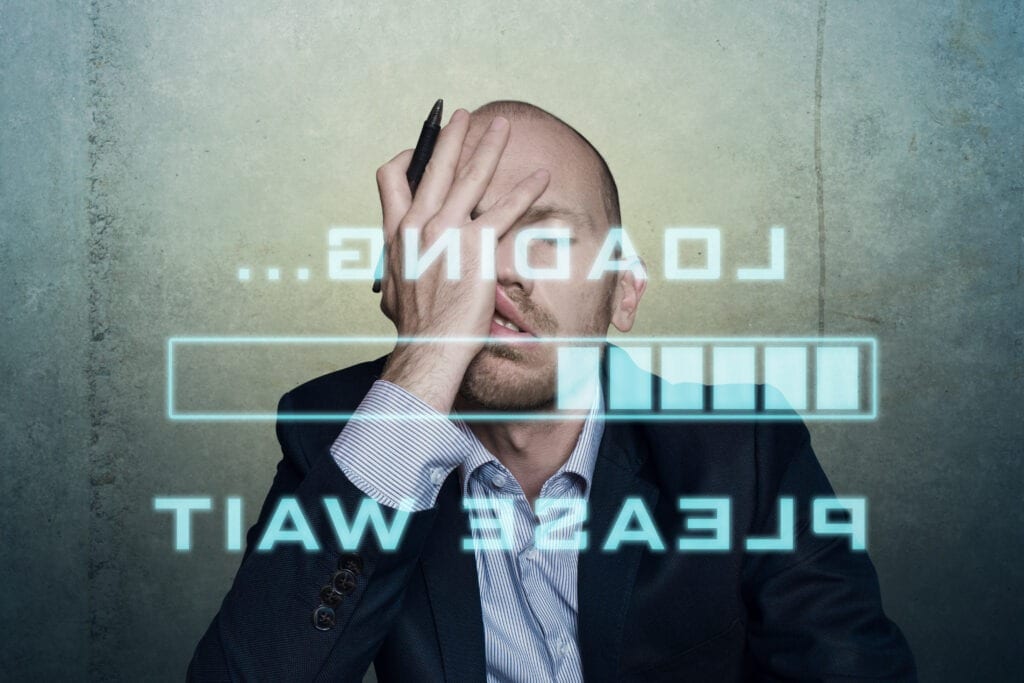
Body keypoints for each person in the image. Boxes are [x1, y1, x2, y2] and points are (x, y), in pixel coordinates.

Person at [188, 100, 917, 681]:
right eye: (463, 235)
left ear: (622, 294)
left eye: (544, 237)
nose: (497, 271)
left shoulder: (744, 453)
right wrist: (423, 366)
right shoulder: (341, 437)